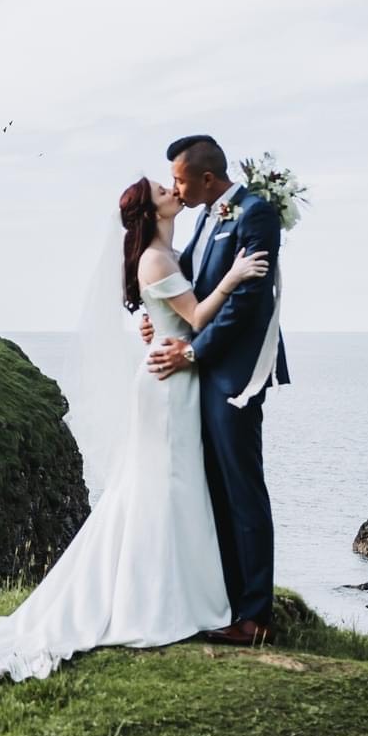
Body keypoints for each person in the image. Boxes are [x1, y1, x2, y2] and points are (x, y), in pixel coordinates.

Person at [0, 174, 268, 681]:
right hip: (167, 386)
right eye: (162, 191)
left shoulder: (167, 254)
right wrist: (235, 276)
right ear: (151, 213)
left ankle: (178, 593)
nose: (174, 192)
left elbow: (170, 314)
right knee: (163, 486)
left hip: (173, 377)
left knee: (171, 486)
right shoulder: (155, 257)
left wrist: (158, 323)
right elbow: (195, 316)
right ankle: (158, 602)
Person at [143, 133, 290, 644]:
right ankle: (224, 602)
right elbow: (193, 287)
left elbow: (247, 300)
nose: (176, 190)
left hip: (234, 373)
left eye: (180, 180)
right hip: (199, 373)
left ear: (207, 178)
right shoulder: (207, 214)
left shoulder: (255, 213)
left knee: (242, 487)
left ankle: (255, 617)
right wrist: (158, 322)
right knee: (213, 487)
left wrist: (193, 351)